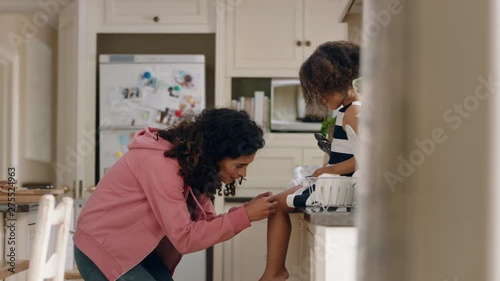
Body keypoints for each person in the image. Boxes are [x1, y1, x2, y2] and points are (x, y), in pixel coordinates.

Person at [74, 108, 279, 281]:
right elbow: (185, 238)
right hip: (102, 250)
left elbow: (206, 225)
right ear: (215, 156)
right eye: (239, 165)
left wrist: (245, 212)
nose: (243, 173)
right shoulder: (161, 165)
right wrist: (246, 215)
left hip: (139, 252)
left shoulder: (195, 169)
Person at [259, 41, 361, 281]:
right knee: (276, 202)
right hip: (333, 181)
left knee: (276, 204)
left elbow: (369, 158)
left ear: (343, 82)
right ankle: (274, 271)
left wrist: (330, 169)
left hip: (338, 186)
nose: (320, 97)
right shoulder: (348, 110)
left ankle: (274, 272)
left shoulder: (354, 112)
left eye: (324, 90)